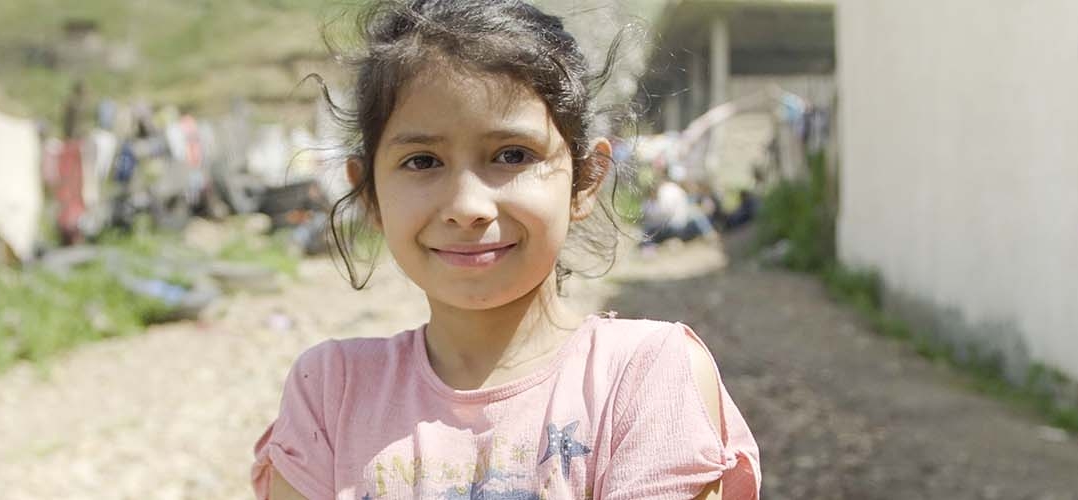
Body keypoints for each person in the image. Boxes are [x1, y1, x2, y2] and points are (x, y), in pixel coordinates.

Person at [251, 2, 761, 499]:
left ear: (584, 181)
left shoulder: (645, 376)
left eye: (512, 155)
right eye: (422, 161)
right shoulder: (330, 393)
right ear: (371, 195)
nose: (467, 207)